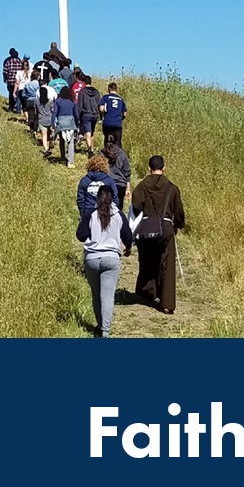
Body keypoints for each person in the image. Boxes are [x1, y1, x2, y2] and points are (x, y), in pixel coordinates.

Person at [76, 185, 133, 338]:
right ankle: (105, 332)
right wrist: (128, 248)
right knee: (107, 296)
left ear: (97, 198)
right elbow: (128, 236)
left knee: (96, 294)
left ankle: (100, 325)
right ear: (113, 198)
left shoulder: (90, 214)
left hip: (92, 259)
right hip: (111, 259)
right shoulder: (118, 215)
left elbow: (81, 236)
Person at [132, 155, 185, 314]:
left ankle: (148, 292)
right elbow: (179, 212)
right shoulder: (171, 187)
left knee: (147, 260)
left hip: (148, 227)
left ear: (149, 168)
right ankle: (167, 303)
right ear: (164, 167)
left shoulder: (142, 186)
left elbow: (135, 206)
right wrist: (179, 225)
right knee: (166, 265)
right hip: (166, 228)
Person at [101, 134, 131, 214]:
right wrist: (128, 189)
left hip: (106, 184)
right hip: (120, 185)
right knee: (118, 210)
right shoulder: (122, 154)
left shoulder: (102, 153)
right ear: (117, 141)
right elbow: (127, 172)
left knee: (104, 209)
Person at [51, 84, 79, 168]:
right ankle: (70, 162)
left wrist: (52, 123)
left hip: (61, 122)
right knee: (70, 142)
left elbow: (55, 112)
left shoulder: (58, 101)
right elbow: (76, 114)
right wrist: (77, 123)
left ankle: (62, 156)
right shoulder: (72, 101)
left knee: (62, 140)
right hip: (70, 122)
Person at [99, 82, 127, 147]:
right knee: (118, 142)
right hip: (117, 124)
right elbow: (125, 113)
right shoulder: (120, 99)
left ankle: (107, 153)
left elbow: (101, 109)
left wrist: (104, 114)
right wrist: (120, 118)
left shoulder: (105, 97)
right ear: (116, 89)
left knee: (107, 140)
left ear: (109, 89)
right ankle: (117, 155)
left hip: (107, 123)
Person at [77, 79, 101, 152]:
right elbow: (99, 103)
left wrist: (78, 115)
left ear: (84, 83)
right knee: (92, 132)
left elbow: (80, 105)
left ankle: (90, 149)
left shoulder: (82, 92)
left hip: (86, 114)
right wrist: (100, 116)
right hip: (95, 114)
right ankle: (92, 148)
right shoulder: (96, 92)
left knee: (87, 132)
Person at [36, 81, 56, 155]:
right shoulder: (49, 102)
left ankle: (46, 149)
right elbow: (52, 110)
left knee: (43, 135)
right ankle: (48, 147)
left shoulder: (37, 101)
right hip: (49, 119)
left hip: (41, 119)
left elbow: (36, 111)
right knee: (48, 135)